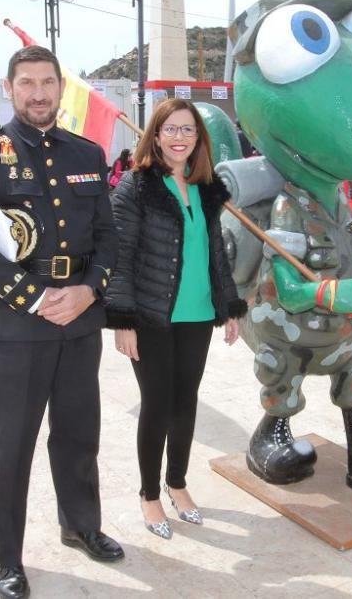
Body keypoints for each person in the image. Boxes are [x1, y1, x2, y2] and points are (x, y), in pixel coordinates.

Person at [0, 45, 122, 599]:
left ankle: (81, 525)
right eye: (27, 82)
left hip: (79, 322)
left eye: (48, 82)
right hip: (16, 325)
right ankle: (9, 558)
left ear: (60, 88)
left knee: (78, 434)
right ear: (9, 88)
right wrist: (34, 296)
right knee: (11, 446)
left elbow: (108, 237)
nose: (39, 92)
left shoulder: (88, 153)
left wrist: (89, 289)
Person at [105, 99, 246, 540]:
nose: (180, 137)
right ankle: (149, 494)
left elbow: (215, 255)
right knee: (158, 404)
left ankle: (177, 483)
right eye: (171, 129)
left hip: (197, 314)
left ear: (199, 139)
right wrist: (122, 320)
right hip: (151, 314)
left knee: (186, 402)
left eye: (188, 130)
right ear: (156, 135)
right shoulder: (136, 186)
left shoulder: (206, 189)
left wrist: (229, 307)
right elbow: (120, 257)